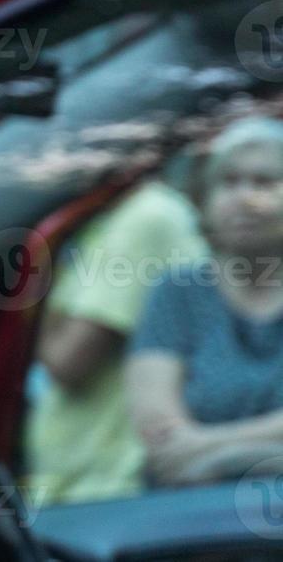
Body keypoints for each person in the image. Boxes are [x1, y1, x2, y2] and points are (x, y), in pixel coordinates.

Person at [23, 180, 205, 504]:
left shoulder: (144, 218)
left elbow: (68, 361)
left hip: (109, 487)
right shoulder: (110, 216)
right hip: (85, 484)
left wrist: (32, 283)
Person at [127, 118, 283, 487]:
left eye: (265, 182)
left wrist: (217, 456)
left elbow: (186, 454)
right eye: (228, 182)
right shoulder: (177, 292)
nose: (244, 198)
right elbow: (160, 436)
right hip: (191, 524)